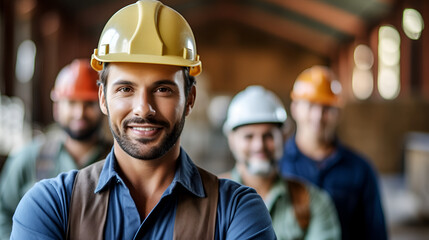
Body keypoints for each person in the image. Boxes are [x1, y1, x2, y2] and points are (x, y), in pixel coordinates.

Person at [10, 1, 276, 239]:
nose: (143, 109)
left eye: (163, 89)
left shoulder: (237, 211)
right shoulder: (50, 206)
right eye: (125, 89)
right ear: (103, 98)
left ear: (190, 99)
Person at [0, 59, 111, 239]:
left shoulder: (118, 161)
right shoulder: (29, 159)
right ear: (57, 107)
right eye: (71, 103)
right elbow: (3, 212)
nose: (79, 113)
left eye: (89, 104)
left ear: (103, 105)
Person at [279, 66, 387, 240]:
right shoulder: (278, 164)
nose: (318, 116)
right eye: (311, 105)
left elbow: (375, 232)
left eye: (327, 108)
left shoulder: (360, 170)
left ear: (338, 113)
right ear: (295, 108)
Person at [221, 85, 341, 240]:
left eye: (269, 136)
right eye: (249, 136)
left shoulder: (314, 203)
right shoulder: (212, 200)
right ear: (232, 140)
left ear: (284, 137)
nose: (259, 145)